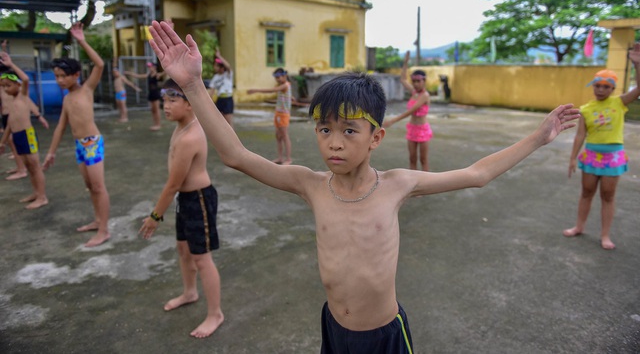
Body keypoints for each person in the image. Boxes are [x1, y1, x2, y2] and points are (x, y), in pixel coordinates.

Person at [147, 20, 579, 353]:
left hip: (384, 336)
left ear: (375, 138)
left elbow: (477, 173)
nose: (334, 142)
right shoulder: (310, 184)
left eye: (349, 131)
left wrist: (538, 138)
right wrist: (192, 86)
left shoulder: (397, 185)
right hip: (334, 328)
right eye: (324, 129)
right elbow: (237, 156)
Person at [139, 78, 224, 338]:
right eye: (164, 100)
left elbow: (174, 183)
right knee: (183, 249)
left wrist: (155, 216)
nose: (165, 106)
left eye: (172, 100)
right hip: (185, 201)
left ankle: (215, 314)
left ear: (190, 104)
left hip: (197, 200)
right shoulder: (181, 126)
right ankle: (190, 292)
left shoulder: (190, 136)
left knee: (202, 258)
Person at [562, 48, 640, 250]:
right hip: (591, 156)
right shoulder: (586, 109)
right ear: (593, 87)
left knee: (608, 195)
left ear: (612, 89)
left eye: (606, 86)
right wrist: (573, 158)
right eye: (597, 85)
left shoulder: (619, 102)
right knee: (586, 192)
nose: (601, 90)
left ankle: (605, 235)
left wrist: (637, 65)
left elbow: (639, 89)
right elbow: (580, 135)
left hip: (613, 157)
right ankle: (579, 226)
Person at [43, 22, 111, 248]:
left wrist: (81, 40)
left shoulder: (86, 90)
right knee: (90, 187)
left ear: (75, 75)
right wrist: (51, 153)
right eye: (56, 76)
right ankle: (98, 220)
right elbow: (61, 128)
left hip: (93, 143)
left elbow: (99, 64)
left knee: (99, 187)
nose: (59, 80)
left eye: (63, 76)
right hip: (79, 146)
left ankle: (104, 230)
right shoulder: (67, 99)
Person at [0, 53, 48, 209]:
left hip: (28, 135)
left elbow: (25, 79)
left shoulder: (22, 95)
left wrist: (11, 64)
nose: (6, 89)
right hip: (18, 136)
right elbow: (9, 125)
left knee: (35, 166)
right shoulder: (13, 102)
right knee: (29, 167)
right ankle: (36, 193)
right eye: (4, 87)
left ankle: (42, 197)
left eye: (8, 85)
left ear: (17, 85)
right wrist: (2, 142)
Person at [383, 51, 432, 171]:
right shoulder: (414, 92)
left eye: (418, 81)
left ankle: (426, 184)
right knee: (412, 159)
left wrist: (393, 120)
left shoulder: (425, 95)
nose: (415, 84)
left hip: (422, 129)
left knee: (423, 159)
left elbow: (412, 111)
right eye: (414, 81)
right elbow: (403, 79)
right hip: (412, 128)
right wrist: (405, 63)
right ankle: (413, 184)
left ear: (424, 81)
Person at [247, 67, 293, 165]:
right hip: (278, 113)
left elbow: (272, 90)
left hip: (284, 114)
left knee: (284, 136)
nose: (278, 79)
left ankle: (288, 158)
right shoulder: (283, 85)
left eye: (279, 77)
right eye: (276, 78)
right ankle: (280, 158)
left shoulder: (285, 85)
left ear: (285, 76)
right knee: (278, 136)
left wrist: (256, 90)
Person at [125, 61, 165, 130]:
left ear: (154, 67)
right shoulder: (148, 75)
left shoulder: (157, 75)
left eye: (151, 67)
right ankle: (155, 124)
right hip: (150, 94)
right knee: (153, 110)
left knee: (157, 110)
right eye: (149, 67)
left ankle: (158, 125)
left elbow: (165, 72)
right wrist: (129, 73)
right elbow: (138, 76)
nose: (149, 68)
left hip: (156, 94)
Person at [207, 50, 234, 127]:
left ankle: (231, 138)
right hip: (220, 100)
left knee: (229, 123)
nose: (214, 67)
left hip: (228, 99)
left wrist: (219, 56)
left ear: (221, 67)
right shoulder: (215, 78)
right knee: (220, 122)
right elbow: (211, 92)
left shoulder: (228, 74)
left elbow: (228, 66)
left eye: (216, 65)